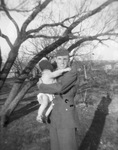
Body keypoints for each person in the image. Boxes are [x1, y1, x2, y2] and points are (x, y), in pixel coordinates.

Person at [38, 49, 79, 150]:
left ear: (69, 60)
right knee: (55, 147)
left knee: (67, 146)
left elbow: (60, 88)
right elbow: (44, 78)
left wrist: (41, 86)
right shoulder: (54, 71)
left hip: (66, 116)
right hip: (54, 116)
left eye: (65, 59)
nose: (62, 62)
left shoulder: (71, 72)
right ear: (55, 60)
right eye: (59, 59)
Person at [36, 58, 71, 123]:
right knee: (45, 102)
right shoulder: (48, 74)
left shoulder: (45, 74)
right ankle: (39, 115)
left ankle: (45, 116)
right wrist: (65, 69)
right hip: (44, 94)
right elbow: (56, 73)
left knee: (52, 104)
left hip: (50, 94)